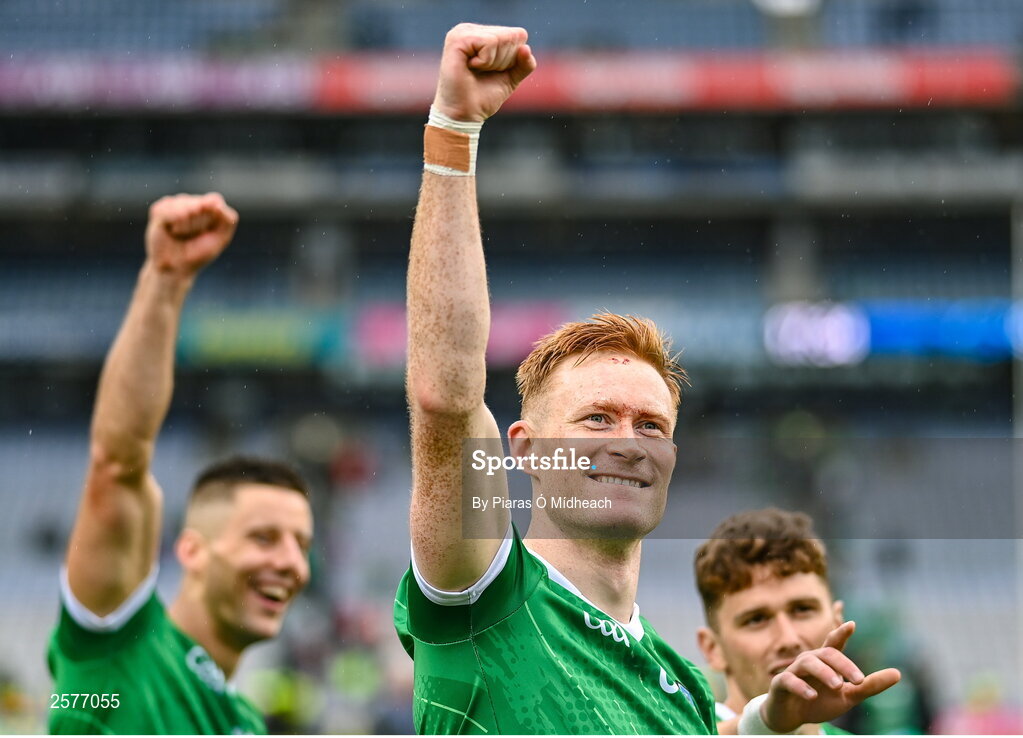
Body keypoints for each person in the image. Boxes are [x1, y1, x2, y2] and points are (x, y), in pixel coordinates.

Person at [394, 23, 899, 735]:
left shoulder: (684, 692)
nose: (628, 444)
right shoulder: (486, 592)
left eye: (650, 426)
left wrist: (769, 722)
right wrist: (452, 130)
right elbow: (445, 401)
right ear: (525, 449)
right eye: (596, 419)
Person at [47, 193, 314, 734]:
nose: (291, 563)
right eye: (264, 537)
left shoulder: (247, 723)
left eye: (300, 544)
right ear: (190, 549)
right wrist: (165, 280)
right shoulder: (118, 650)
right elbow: (118, 464)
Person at [695, 508, 868, 735]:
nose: (788, 639)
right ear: (713, 649)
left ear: (837, 623)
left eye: (803, 610)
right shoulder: (677, 728)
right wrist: (759, 725)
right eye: (756, 619)